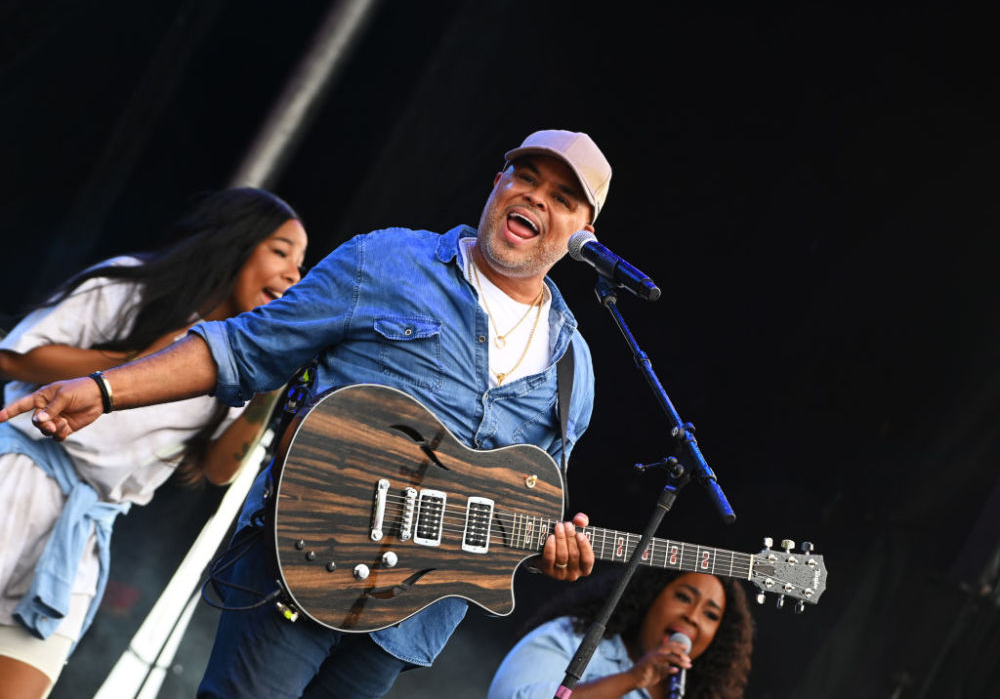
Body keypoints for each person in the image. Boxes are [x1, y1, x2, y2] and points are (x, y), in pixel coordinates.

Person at [0, 129, 613, 698]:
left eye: (561, 197)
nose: (534, 197)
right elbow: (242, 346)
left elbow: (528, 495)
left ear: (584, 230)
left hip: (407, 622)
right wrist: (106, 388)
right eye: (524, 177)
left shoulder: (574, 367)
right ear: (498, 184)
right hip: (300, 561)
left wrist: (554, 545)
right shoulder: (388, 261)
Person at [0, 187, 308, 699]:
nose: (294, 274)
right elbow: (15, 356)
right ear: (236, 244)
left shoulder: (236, 367)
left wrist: (267, 394)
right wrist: (142, 362)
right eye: (280, 252)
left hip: (81, 533)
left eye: (301, 264)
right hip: (17, 485)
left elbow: (217, 470)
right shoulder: (128, 287)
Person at [488, 568, 754, 699]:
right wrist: (631, 678)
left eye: (710, 615)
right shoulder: (571, 638)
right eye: (683, 597)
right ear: (650, 597)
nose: (692, 617)